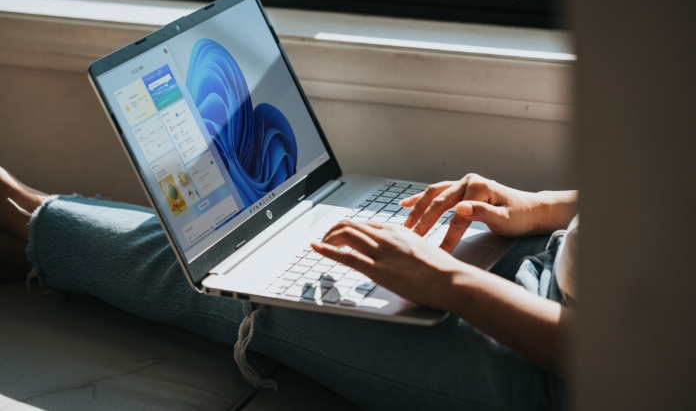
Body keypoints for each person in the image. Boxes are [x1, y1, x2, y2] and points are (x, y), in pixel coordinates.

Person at [0, 166, 577, 410]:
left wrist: (448, 280)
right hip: (548, 264)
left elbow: (630, 362)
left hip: (547, 368)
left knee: (215, 273)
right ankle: (31, 219)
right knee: (258, 240)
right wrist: (541, 208)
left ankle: (19, 215)